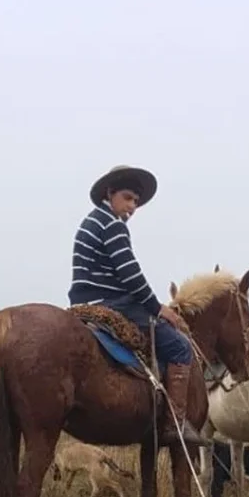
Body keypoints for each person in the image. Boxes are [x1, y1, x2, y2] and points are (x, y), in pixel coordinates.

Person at [69, 164, 200, 445]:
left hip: (82, 301)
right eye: (127, 198)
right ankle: (174, 426)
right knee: (179, 346)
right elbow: (130, 275)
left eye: (136, 202)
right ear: (110, 193)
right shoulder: (113, 225)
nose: (132, 207)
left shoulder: (92, 221)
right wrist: (158, 308)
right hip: (112, 303)